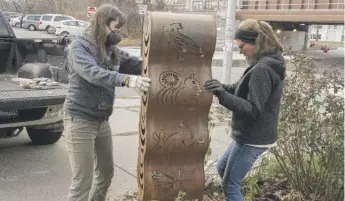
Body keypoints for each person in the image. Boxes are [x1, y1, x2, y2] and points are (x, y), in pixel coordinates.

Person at [63, 4, 151, 201]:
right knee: (82, 181)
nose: (119, 33)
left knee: (106, 173)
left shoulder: (111, 49)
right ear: (101, 24)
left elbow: (136, 64)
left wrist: (158, 62)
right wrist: (126, 79)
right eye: (116, 28)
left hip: (102, 120)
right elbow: (92, 73)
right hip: (80, 120)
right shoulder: (80, 47)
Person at [204, 19, 286, 201]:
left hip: (253, 137)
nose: (240, 51)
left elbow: (253, 109)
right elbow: (240, 87)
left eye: (242, 46)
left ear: (255, 42)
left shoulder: (262, 69)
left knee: (229, 185)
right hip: (252, 134)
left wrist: (222, 95)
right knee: (223, 167)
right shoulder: (267, 61)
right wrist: (221, 87)